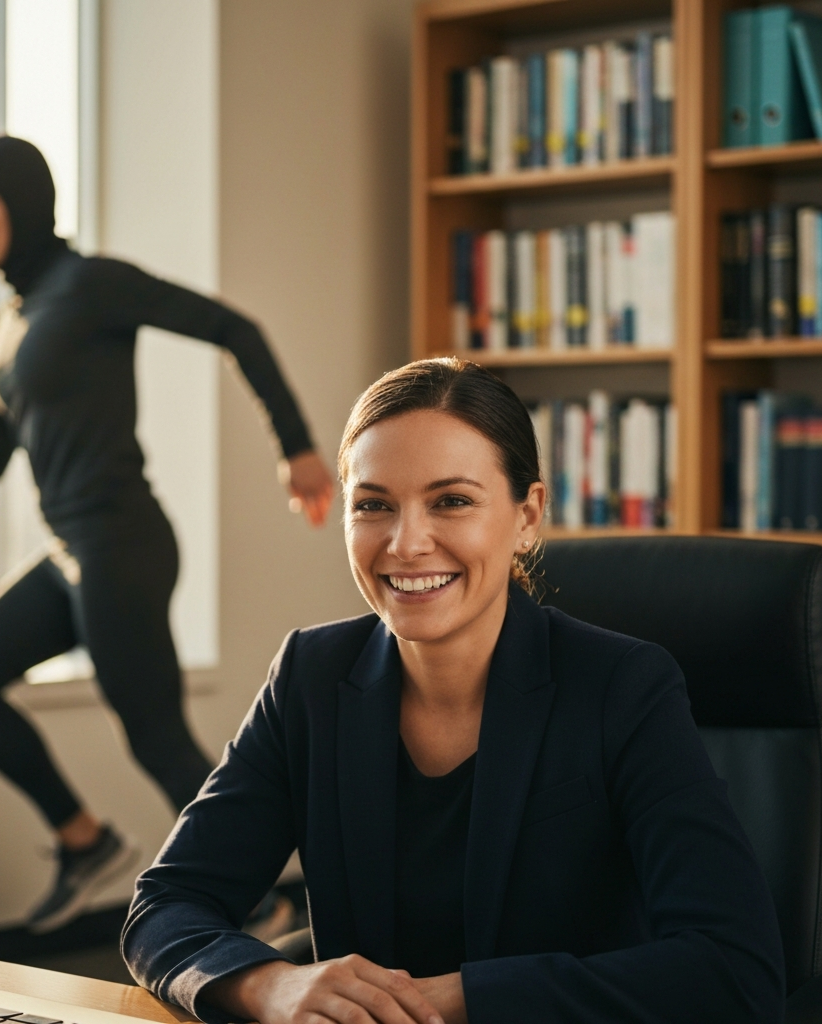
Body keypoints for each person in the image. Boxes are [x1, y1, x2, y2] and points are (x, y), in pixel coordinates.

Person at [122, 357, 786, 1024]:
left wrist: (458, 999)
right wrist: (268, 985)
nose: (407, 544)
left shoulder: (624, 688)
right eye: (374, 505)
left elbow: (733, 965)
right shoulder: (311, 676)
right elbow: (167, 905)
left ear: (528, 517)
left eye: (452, 501)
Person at [0, 135, 333, 935]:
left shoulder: (92, 285)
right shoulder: (8, 325)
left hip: (123, 543)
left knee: (155, 737)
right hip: (70, 556)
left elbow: (235, 328)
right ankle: (85, 843)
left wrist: (295, 447)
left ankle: (264, 896)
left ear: (25, 203)